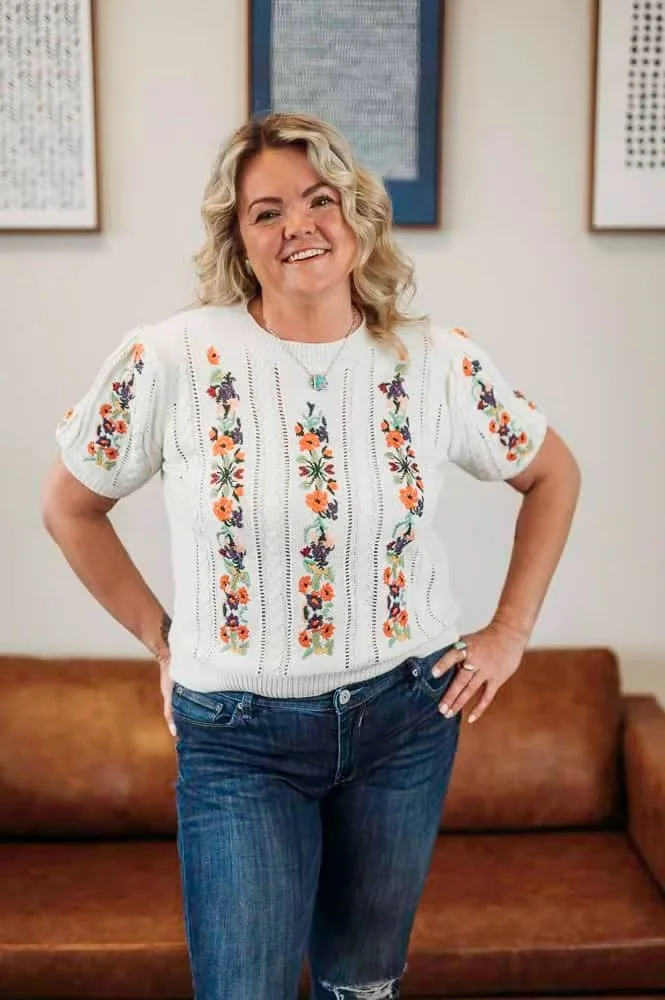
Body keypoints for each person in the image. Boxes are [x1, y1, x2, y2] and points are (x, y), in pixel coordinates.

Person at [42, 112, 581, 1000]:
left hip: (406, 721)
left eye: (318, 199)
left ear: (355, 217)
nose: (298, 224)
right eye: (266, 211)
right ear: (238, 241)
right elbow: (70, 506)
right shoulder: (170, 357)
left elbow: (552, 472)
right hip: (237, 740)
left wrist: (509, 631)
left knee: (362, 987)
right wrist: (161, 639)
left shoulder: (433, 360)